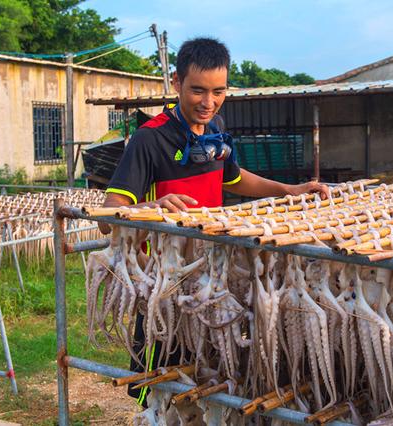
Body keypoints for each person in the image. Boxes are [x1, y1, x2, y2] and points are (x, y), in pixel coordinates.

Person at [100, 37, 329, 407]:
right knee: (160, 387)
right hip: (166, 285)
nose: (208, 102)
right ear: (176, 83)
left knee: (206, 378)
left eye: (218, 91)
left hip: (211, 279)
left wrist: (288, 189)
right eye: (198, 91)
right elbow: (108, 218)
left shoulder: (216, 128)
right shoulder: (149, 139)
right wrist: (154, 207)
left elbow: (233, 178)